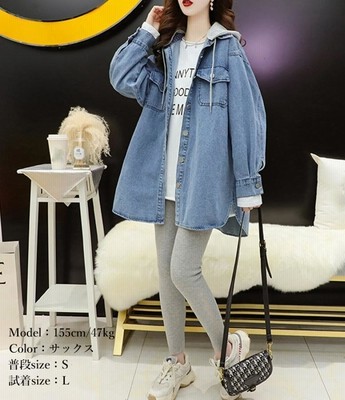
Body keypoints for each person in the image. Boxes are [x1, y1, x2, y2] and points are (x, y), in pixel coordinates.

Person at [109, 1, 266, 399]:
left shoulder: (227, 49)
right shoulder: (166, 50)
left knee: (183, 269)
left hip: (203, 179)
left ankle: (226, 348)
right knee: (166, 273)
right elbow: (121, 76)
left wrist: (248, 182)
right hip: (162, 178)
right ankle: (178, 363)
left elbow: (247, 117)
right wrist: (147, 31)